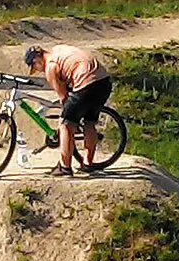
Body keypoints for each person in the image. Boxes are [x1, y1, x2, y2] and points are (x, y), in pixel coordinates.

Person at [22, 43, 113, 177]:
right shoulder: (59, 49)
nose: (38, 70)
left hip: (85, 84)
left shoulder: (50, 67)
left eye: (35, 67)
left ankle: (65, 167)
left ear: (37, 60)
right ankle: (88, 164)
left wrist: (70, 117)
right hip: (103, 81)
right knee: (89, 122)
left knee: (65, 125)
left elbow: (63, 97)